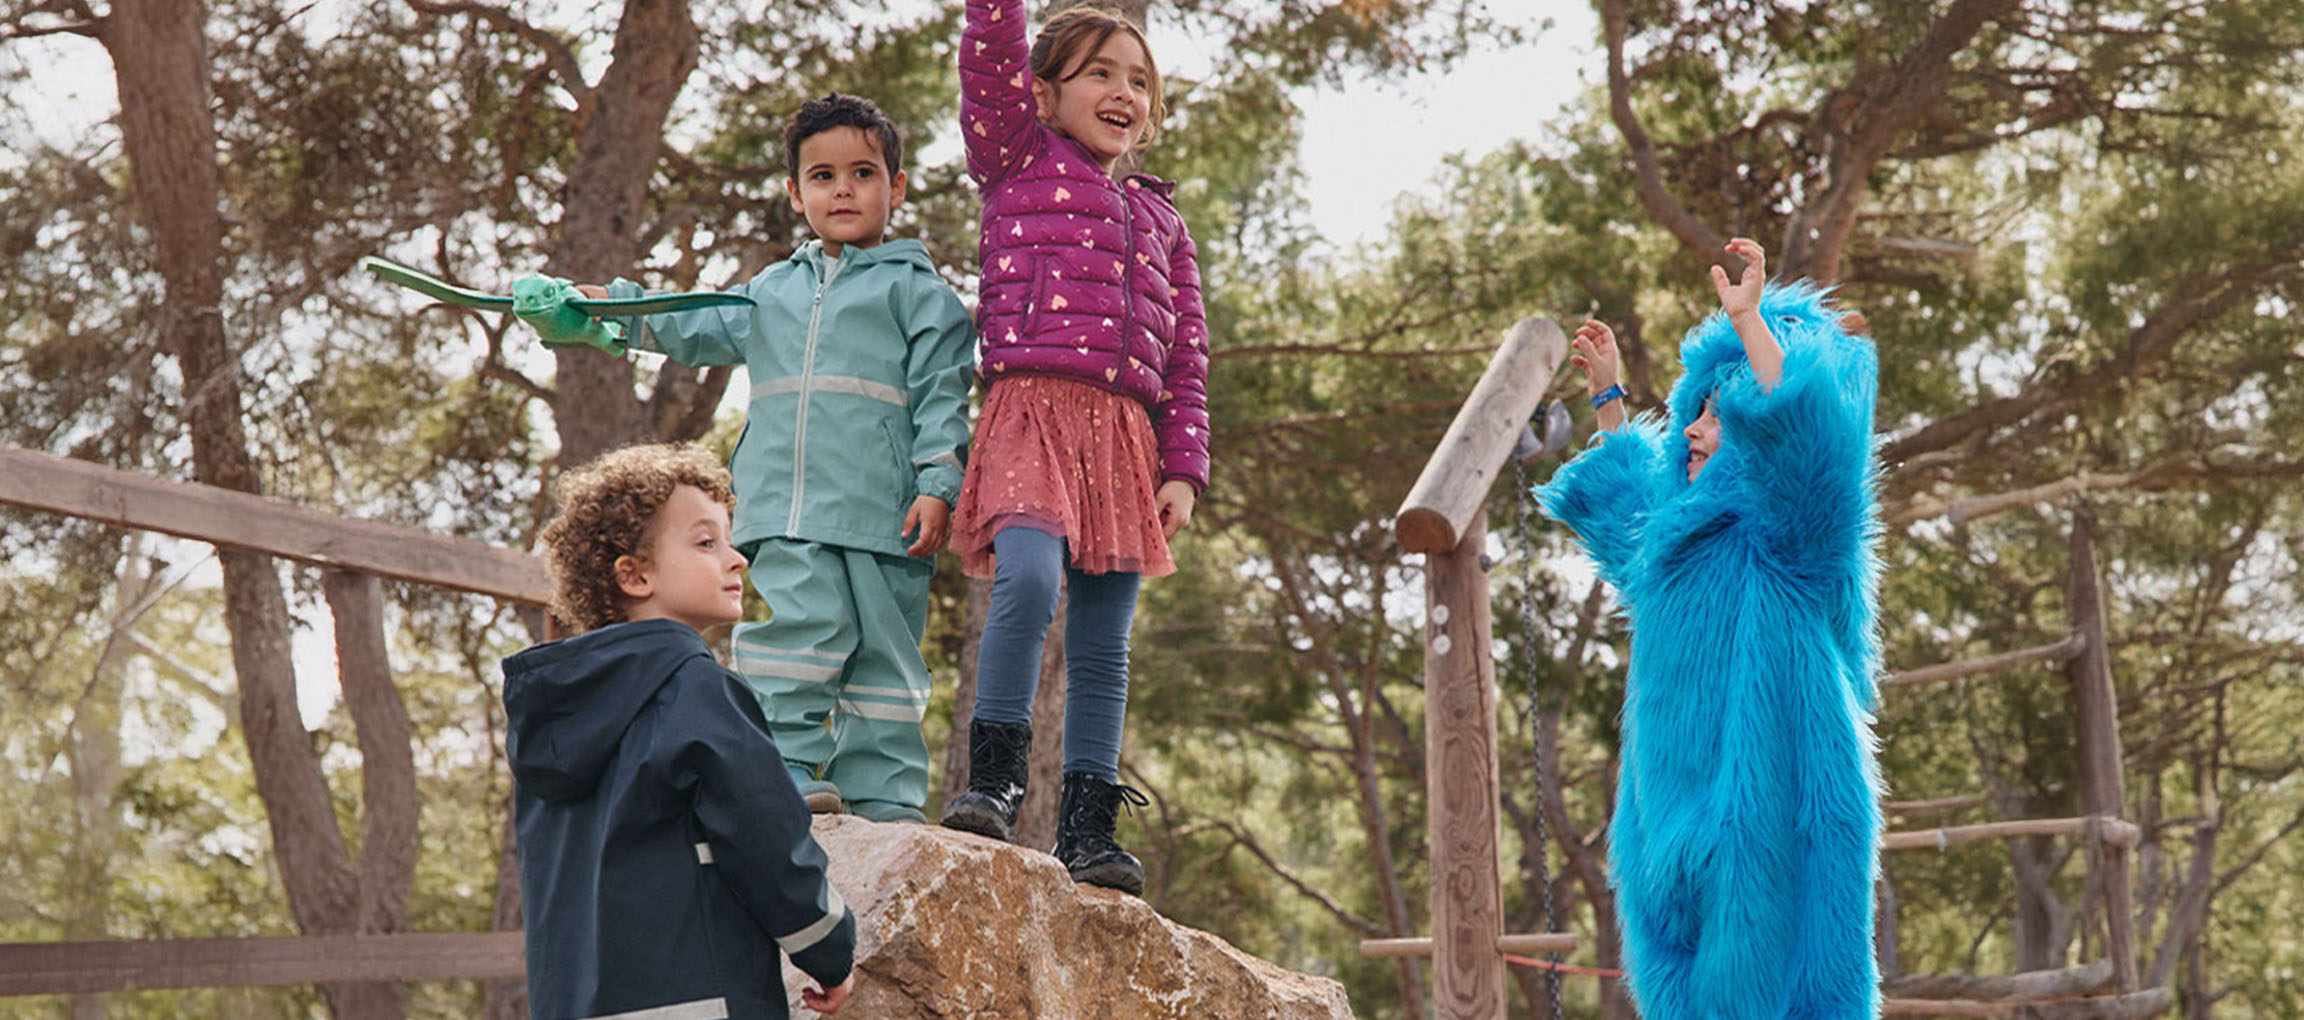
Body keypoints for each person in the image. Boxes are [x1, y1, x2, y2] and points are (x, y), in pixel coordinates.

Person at [574, 93, 976, 824]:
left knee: (887, 655)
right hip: (786, 512)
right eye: (823, 176)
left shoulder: (923, 297)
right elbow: (696, 322)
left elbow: (943, 399)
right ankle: (782, 763)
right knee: (798, 635)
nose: (843, 190)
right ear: (796, 193)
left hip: (887, 513)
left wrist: (939, 484)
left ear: (896, 187)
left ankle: (885, 792)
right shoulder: (772, 291)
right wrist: (614, 309)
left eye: (862, 173)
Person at [1536, 238, 1884, 1019]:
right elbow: (1630, 516)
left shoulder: (1793, 539)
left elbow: (1809, 439)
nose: (1692, 430)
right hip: (1662, 823)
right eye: (1692, 413)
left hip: (1766, 819)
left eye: (1716, 417)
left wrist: (1751, 322)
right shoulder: (1672, 545)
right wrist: (1609, 399)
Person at [937, 0, 1211, 897]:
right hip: (1031, 411)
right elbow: (989, 62)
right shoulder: (1015, 157)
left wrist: (1183, 469)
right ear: (1043, 94)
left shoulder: (1165, 223)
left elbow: (1188, 357)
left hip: (1127, 438)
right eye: (1099, 72)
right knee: (1027, 578)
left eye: (1139, 81)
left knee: (1104, 642)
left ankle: (1089, 830)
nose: (1123, 91)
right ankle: (993, 784)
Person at [504, 443, 855, 1020]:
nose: (737, 559)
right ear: (635, 574)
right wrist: (829, 949)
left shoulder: (549, 719)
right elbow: (767, 838)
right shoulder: (696, 689)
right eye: (706, 542)